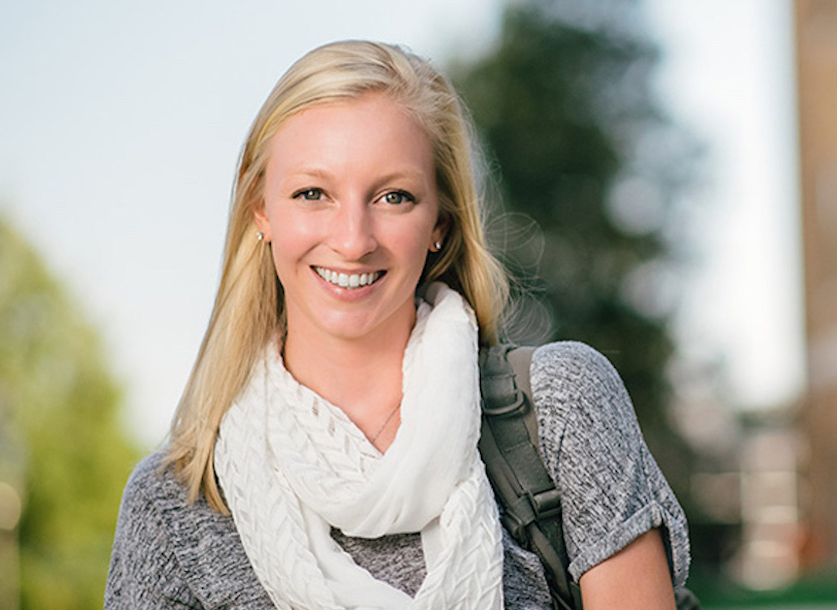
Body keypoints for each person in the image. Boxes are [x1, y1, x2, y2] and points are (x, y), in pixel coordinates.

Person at [105, 40, 690, 609]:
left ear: (441, 220)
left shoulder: (562, 406)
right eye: (313, 193)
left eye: (394, 197)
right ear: (262, 208)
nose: (353, 240)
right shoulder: (172, 507)